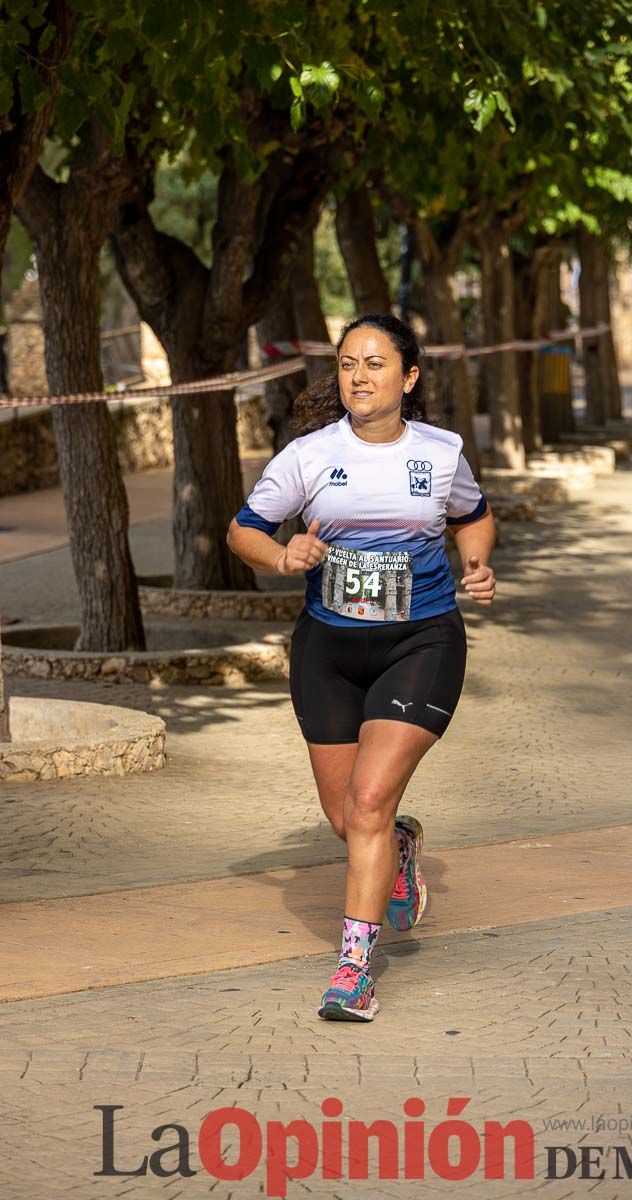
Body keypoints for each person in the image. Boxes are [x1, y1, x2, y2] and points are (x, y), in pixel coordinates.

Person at [227, 314, 496, 1021]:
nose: (359, 376)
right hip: (329, 649)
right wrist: (282, 556)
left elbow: (473, 513)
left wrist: (476, 560)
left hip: (422, 643)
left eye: (375, 364)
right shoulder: (309, 456)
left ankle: (354, 972)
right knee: (349, 820)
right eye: (348, 363)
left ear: (408, 378)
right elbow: (243, 529)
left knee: (370, 801)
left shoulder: (440, 454)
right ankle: (399, 847)